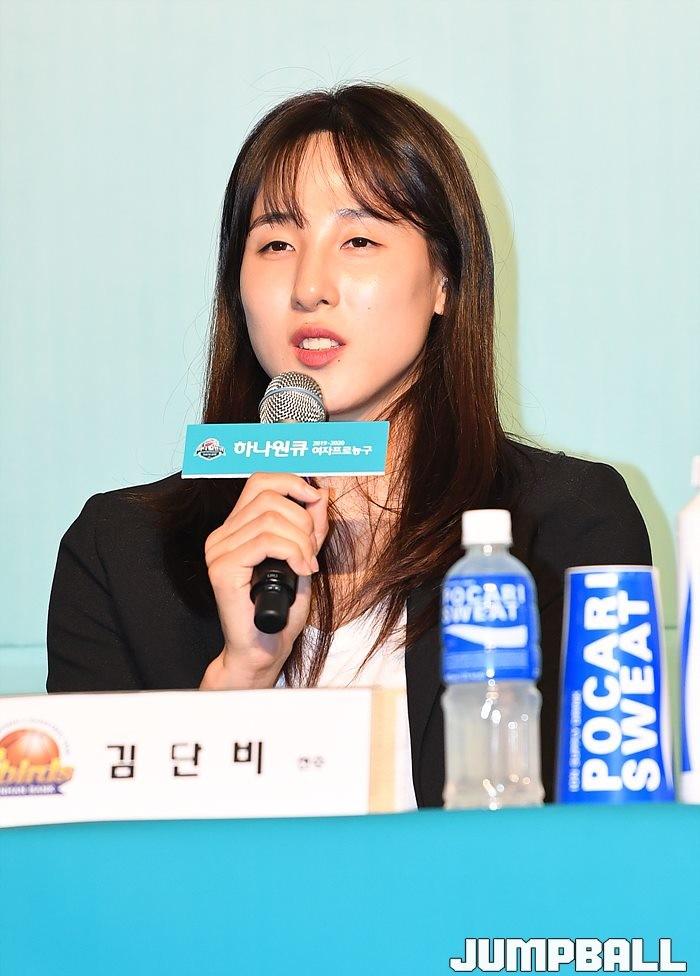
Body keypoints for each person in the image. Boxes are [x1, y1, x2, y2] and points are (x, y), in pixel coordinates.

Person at [46, 82, 651, 808]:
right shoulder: (119, 554)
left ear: (445, 280)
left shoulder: (563, 527)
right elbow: (98, 864)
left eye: (359, 240)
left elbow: (590, 839)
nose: (309, 286)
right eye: (276, 243)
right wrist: (242, 674)